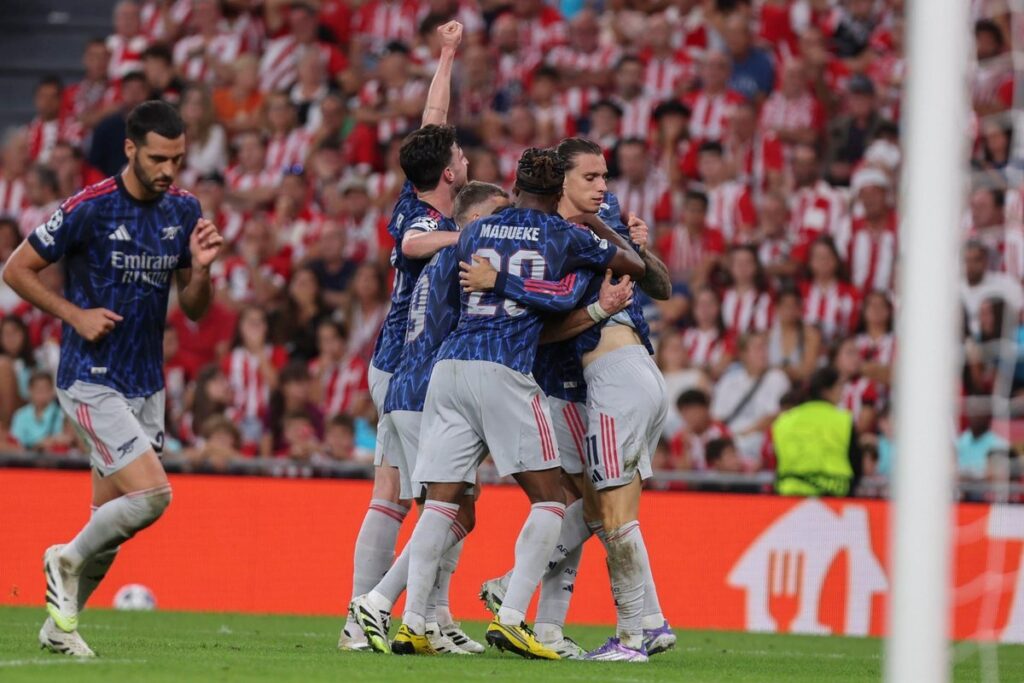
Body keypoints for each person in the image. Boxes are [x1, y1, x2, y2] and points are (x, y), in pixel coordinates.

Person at [378, 148, 643, 660]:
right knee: (552, 499)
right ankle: (513, 616)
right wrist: (595, 239)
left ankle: (412, 622)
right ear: (557, 192)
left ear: (516, 186)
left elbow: (449, 298)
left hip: (449, 368)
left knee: (439, 500)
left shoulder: (475, 232)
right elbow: (619, 270)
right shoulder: (564, 234)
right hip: (504, 368)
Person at [2, 100, 223, 656]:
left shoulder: (184, 210)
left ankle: (59, 627)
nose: (168, 170)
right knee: (152, 496)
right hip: (90, 376)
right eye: (157, 158)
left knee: (111, 523)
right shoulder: (89, 208)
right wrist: (73, 314)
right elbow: (16, 269)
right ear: (130, 149)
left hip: (144, 384)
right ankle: (64, 558)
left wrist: (202, 269)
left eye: (176, 158)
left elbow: (194, 308)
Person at [470, 138, 674, 660]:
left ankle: (636, 633)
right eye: (592, 178)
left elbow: (658, 285)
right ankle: (633, 623)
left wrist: (622, 242)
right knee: (596, 507)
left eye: (604, 177)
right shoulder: (552, 233)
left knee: (611, 513)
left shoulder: (584, 229)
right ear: (561, 183)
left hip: (612, 377)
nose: (603, 187)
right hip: (619, 377)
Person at [339, 20, 469, 653]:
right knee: (440, 497)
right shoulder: (422, 218)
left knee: (391, 494)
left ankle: (369, 621)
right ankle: (408, 612)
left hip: (395, 363)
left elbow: (433, 118)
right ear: (447, 173)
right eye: (459, 157)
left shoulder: (417, 193)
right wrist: (469, 238)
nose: (464, 158)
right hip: (404, 366)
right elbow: (413, 242)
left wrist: (445, 54)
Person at [351, 181, 511, 656]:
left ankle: (430, 618)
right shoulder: (466, 257)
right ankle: (381, 604)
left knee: (451, 506)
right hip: (428, 396)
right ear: (475, 220)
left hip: (407, 388)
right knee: (452, 509)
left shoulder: (438, 261)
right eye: (498, 216)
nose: (506, 225)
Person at [772, 366, 861, 496]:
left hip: (790, 497)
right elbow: (856, 465)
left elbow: (777, 460)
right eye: (839, 387)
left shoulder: (784, 421)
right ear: (826, 391)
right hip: (833, 497)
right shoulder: (843, 421)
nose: (842, 393)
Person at [712, 332, 791, 467]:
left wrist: (744, 433)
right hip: (730, 445)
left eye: (765, 347)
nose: (763, 353)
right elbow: (716, 418)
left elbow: (776, 415)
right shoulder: (729, 380)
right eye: (758, 348)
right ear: (743, 354)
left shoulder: (777, 378)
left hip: (759, 443)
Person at [10, 372, 70, 452]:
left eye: (45, 389)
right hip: (24, 460)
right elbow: (15, 442)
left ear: (52, 391)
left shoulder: (62, 414)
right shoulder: (20, 415)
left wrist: (52, 442)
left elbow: (64, 439)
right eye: (38, 389)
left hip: (53, 460)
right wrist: (37, 445)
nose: (42, 393)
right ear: (29, 391)